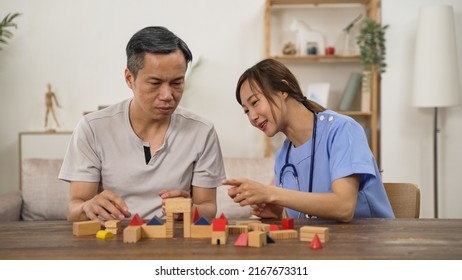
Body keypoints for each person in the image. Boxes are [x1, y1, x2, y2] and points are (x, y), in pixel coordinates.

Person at [59, 26, 225, 222]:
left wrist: (191, 209)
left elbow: (208, 208)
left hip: (174, 243)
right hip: (113, 243)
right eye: (155, 83)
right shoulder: (92, 128)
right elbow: (74, 210)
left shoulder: (202, 132)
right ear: (130, 78)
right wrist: (88, 206)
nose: (167, 95)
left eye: (177, 83)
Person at [223, 59, 394, 222]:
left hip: (367, 245)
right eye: (246, 111)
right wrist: (277, 212)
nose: (252, 117)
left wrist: (271, 193)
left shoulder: (342, 130)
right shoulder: (284, 155)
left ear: (283, 89)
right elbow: (301, 216)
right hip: (322, 248)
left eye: (254, 102)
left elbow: (344, 207)